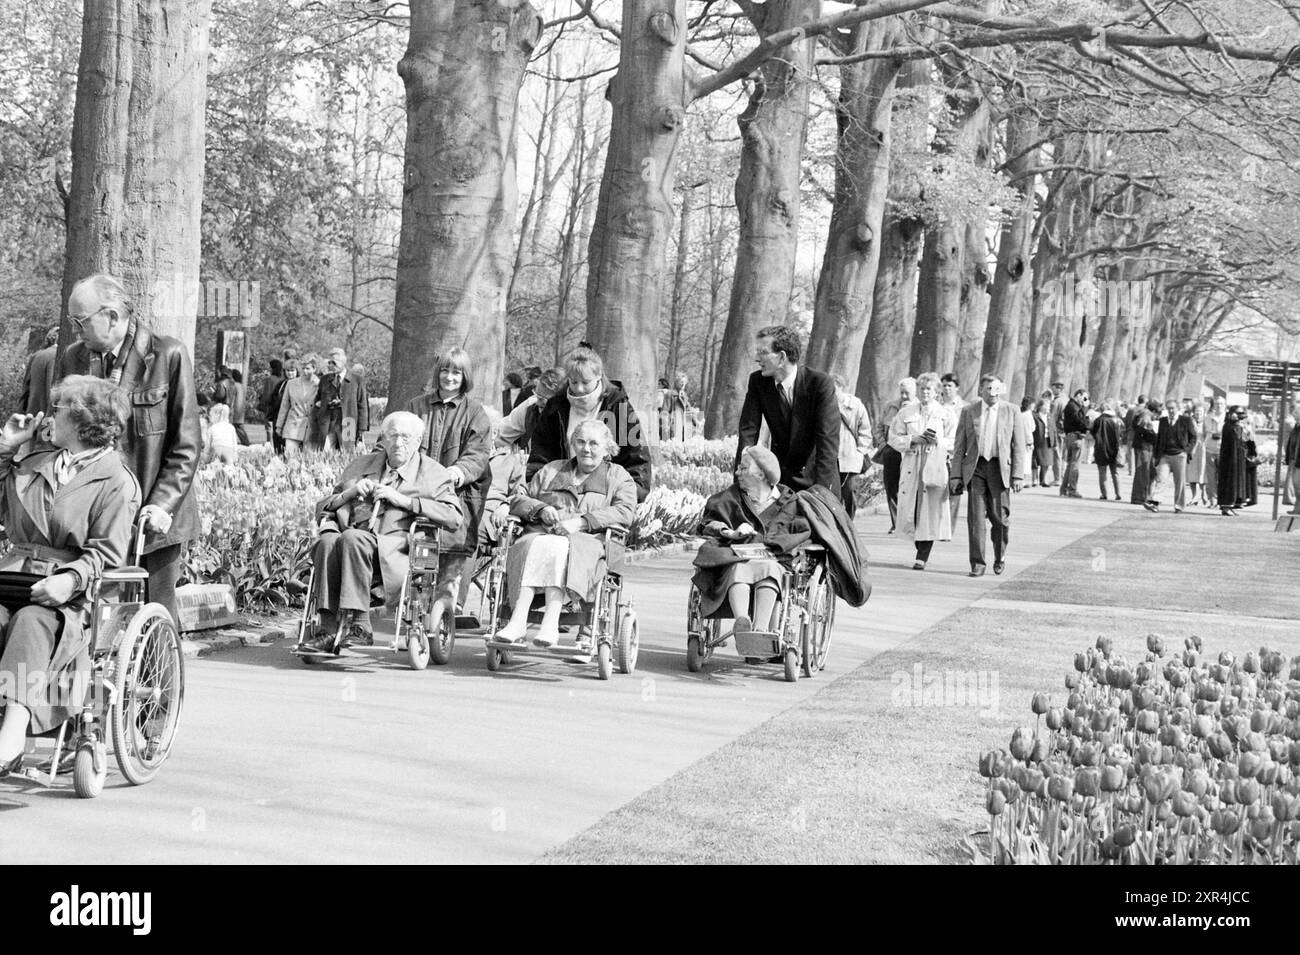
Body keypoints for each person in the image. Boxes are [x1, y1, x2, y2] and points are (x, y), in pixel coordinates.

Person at [0, 376, 141, 773]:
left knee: (31, 621)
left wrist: (71, 579)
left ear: (82, 421)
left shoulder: (116, 480)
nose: (47, 415)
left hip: (72, 596)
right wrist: (5, 448)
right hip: (14, 576)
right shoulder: (34, 463)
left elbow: (108, 553)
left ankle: (14, 727)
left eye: (57, 408)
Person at [56, 274, 200, 626]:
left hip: (153, 518)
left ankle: (164, 680)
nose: (76, 331)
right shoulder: (73, 358)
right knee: (89, 621)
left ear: (113, 316)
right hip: (94, 514)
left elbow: (186, 444)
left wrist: (161, 505)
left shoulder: (168, 355)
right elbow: (58, 432)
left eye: (81, 321)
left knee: (155, 619)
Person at [299, 412, 463, 651]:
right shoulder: (360, 466)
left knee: (352, 539)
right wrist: (350, 493)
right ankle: (327, 629)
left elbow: (454, 517)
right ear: (383, 439)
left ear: (418, 441)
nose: (398, 443)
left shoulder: (433, 473)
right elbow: (323, 506)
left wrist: (406, 502)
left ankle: (360, 624)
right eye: (393, 436)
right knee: (327, 541)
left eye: (406, 438)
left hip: (396, 549)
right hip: (352, 539)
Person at [496, 420, 637, 648]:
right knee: (529, 544)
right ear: (572, 443)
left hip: (588, 542)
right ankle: (518, 619)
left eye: (593, 443)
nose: (586, 449)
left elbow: (624, 511)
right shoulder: (552, 470)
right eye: (580, 442)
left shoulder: (618, 476)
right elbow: (520, 497)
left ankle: (550, 622)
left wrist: (582, 522)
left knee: (560, 547)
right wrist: (540, 509)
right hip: (542, 535)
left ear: (607, 448)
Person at [691, 445, 812, 638]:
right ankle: (742, 622)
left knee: (769, 570)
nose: (737, 472)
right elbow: (708, 522)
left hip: (773, 560)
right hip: (737, 558)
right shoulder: (731, 497)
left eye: (743, 468)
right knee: (739, 569)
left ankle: (760, 631)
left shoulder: (789, 502)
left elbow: (800, 531)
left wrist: (773, 543)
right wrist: (730, 532)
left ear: (762, 475)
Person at [405, 347, 492, 611]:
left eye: (456, 372)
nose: (450, 377)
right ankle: (419, 604)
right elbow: (404, 439)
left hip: (459, 492)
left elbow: (478, 454)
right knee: (422, 541)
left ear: (465, 376)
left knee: (454, 548)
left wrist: (458, 472)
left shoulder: (475, 412)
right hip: (422, 491)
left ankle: (448, 607)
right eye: (445, 370)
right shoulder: (417, 406)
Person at [528, 344, 652, 501]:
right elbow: (541, 451)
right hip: (561, 490)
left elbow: (636, 456)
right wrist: (535, 484)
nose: (578, 389)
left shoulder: (618, 406)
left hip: (605, 493)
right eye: (573, 382)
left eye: (585, 382)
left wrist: (631, 495)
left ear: (599, 375)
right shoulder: (556, 406)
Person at [736, 325, 839, 494]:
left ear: (782, 357)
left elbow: (827, 443)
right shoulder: (757, 382)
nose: (756, 358)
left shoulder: (819, 384)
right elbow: (747, 432)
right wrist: (741, 481)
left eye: (762, 352)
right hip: (781, 483)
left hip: (817, 480)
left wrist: (821, 495)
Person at [950, 374, 1025, 577]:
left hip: (1000, 469)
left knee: (1000, 519)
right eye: (989, 389)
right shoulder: (968, 411)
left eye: (996, 388)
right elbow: (959, 446)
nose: (993, 393)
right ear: (980, 391)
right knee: (976, 519)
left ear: (1002, 389)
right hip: (976, 468)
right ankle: (978, 563)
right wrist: (955, 475)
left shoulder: (1012, 411)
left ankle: (1000, 556)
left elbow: (1019, 446)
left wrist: (1018, 476)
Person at [889, 372, 956, 570]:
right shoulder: (907, 413)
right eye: (922, 389)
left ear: (936, 392)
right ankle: (919, 544)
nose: (925, 392)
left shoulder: (945, 414)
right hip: (912, 465)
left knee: (930, 509)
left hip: (933, 463)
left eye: (929, 389)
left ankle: (923, 554)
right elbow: (893, 437)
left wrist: (939, 442)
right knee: (913, 508)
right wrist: (912, 440)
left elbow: (954, 440)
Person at [874, 377, 915, 533]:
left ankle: (910, 522)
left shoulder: (919, 407)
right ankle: (896, 523)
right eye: (902, 393)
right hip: (891, 452)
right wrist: (883, 445)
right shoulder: (891, 406)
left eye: (907, 393)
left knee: (909, 488)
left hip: (911, 453)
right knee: (892, 488)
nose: (904, 396)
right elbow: (878, 427)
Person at [1145, 398, 1197, 513]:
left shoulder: (1186, 420)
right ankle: (1155, 502)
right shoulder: (1163, 421)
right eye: (1169, 409)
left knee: (1179, 481)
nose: (1171, 411)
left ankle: (1179, 505)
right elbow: (1159, 439)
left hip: (1180, 455)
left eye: (1173, 408)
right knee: (1161, 479)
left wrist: (1187, 451)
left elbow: (1193, 437)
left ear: (1177, 409)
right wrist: (1157, 454)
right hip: (1165, 455)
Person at [831, 374, 872, 519]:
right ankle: (836, 522)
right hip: (831, 455)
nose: (831, 391)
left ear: (841, 387)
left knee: (849, 490)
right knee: (832, 492)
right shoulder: (825, 404)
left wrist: (860, 452)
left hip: (850, 456)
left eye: (834, 388)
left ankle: (849, 520)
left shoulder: (855, 405)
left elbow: (865, 431)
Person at [498, 367, 565, 454]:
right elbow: (504, 430)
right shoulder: (531, 405)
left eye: (544, 399)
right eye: (537, 394)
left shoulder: (567, 416)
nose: (538, 402)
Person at [317, 347, 368, 451]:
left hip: (348, 422)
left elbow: (362, 405)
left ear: (343, 362)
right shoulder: (324, 380)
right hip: (328, 423)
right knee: (325, 452)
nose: (331, 365)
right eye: (329, 362)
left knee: (347, 452)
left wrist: (362, 428)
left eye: (334, 362)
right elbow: (317, 400)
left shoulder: (357, 380)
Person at [276, 357, 319, 456]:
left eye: (307, 368)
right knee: (290, 457)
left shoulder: (319, 384)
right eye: (303, 368)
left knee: (310, 459)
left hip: (311, 426)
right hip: (293, 424)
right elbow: (284, 406)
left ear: (314, 369)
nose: (304, 371)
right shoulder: (291, 384)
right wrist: (279, 426)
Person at [1217, 406, 1250, 515]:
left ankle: (1232, 505)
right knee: (1228, 482)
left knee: (1236, 482)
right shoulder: (1229, 426)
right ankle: (1226, 506)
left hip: (1237, 459)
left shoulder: (1238, 426)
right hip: (1229, 459)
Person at [19, 327, 59, 417]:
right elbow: (50, 389)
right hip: (45, 416)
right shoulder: (55, 356)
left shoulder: (37, 355)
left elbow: (25, 387)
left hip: (30, 411)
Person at [1058, 388, 1090, 497]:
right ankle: (1072, 489)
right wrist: (1085, 409)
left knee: (1070, 464)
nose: (1085, 400)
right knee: (1075, 465)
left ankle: (1064, 489)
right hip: (1075, 436)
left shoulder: (1071, 405)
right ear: (1079, 395)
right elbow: (1081, 421)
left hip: (1070, 436)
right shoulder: (1073, 406)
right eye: (1084, 397)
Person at [1090, 399, 1124, 501]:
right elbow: (1122, 434)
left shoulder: (1098, 420)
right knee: (1115, 472)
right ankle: (1118, 493)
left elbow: (1093, 432)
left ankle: (1104, 494)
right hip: (1114, 448)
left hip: (1101, 448)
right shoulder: (1118, 420)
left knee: (1102, 472)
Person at [1202, 396, 1226, 507]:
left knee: (1222, 476)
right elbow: (1203, 434)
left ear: (1224, 405)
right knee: (1210, 477)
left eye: (1221, 403)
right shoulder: (1207, 418)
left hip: (1223, 450)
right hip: (1210, 449)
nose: (1219, 405)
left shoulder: (1227, 418)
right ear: (1213, 405)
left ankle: (1222, 499)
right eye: (1216, 403)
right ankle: (1212, 499)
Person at [259, 358, 288, 453]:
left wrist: (262, 406)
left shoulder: (269, 380)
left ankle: (270, 446)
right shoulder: (283, 380)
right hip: (281, 407)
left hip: (271, 407)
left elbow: (267, 395)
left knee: (269, 428)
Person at [1185, 401, 1209, 506]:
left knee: (1203, 472)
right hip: (1193, 449)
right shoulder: (1189, 422)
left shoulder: (1207, 423)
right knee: (1192, 473)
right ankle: (1194, 496)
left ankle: (1204, 495)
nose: (1198, 414)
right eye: (1196, 412)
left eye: (1200, 412)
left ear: (1204, 413)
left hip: (1203, 448)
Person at [664, 371, 695, 443]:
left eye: (684, 382)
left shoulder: (684, 396)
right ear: (676, 382)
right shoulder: (670, 394)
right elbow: (664, 411)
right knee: (674, 446)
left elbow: (689, 411)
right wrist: (665, 425)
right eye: (681, 381)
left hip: (685, 426)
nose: (683, 383)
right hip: (674, 425)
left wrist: (696, 422)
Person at [1032, 398, 1055, 487]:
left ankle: (1043, 480)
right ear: (1041, 406)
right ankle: (1035, 479)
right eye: (1046, 406)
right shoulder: (1035, 415)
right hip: (1037, 440)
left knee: (1046, 462)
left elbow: (1054, 429)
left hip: (1048, 440)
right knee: (1035, 461)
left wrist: (1055, 443)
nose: (1048, 408)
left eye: (1049, 406)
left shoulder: (1050, 416)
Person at [1017, 397, 1035, 486]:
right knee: (1025, 460)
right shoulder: (1027, 415)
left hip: (1022, 439)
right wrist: (1030, 442)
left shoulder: (1023, 414)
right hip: (1026, 440)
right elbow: (1028, 430)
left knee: (1024, 459)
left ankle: (1022, 479)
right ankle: (1022, 479)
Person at [654, 376, 673, 441]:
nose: (658, 385)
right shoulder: (669, 392)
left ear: (663, 385)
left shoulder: (660, 392)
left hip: (660, 412)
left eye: (659, 384)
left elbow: (658, 404)